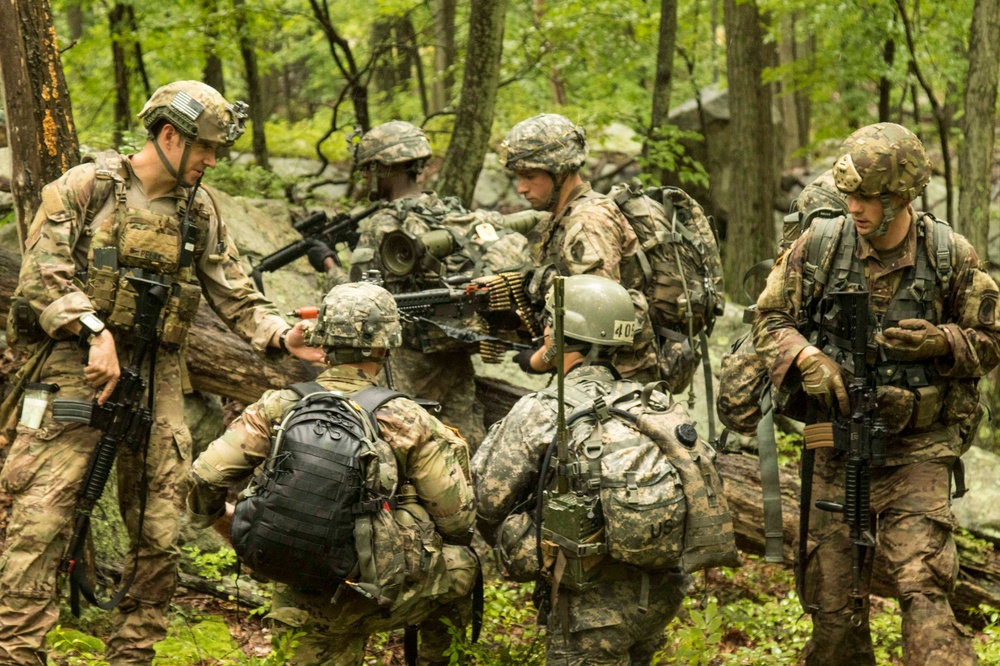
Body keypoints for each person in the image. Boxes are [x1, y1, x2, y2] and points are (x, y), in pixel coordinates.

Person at [0, 80, 323, 666]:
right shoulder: (86, 188)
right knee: (35, 523)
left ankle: (133, 655)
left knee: (160, 531)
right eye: (205, 148)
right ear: (168, 135)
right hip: (73, 380)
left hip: (156, 382)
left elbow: (236, 294)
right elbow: (40, 275)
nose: (211, 160)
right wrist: (94, 332)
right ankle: (18, 653)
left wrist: (281, 334)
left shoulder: (198, 211)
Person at [753, 122, 999, 665]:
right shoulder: (817, 247)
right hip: (835, 446)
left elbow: (992, 339)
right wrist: (804, 355)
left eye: (868, 197)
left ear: (901, 198)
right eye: (850, 195)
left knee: (923, 588)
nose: (855, 207)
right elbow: (767, 320)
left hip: (918, 448)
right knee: (833, 611)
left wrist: (944, 340)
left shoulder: (949, 256)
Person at [186, 281, 479, 665]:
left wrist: (229, 526)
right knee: (463, 563)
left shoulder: (281, 405)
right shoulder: (409, 419)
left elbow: (205, 477)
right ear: (386, 344)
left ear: (322, 341)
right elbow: (457, 520)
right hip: (379, 596)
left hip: (300, 588)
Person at [473, 274, 691, 665]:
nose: (544, 331)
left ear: (560, 336)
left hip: (590, 609)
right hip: (662, 594)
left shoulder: (542, 409)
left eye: (549, 325)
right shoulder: (656, 403)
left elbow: (484, 500)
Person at [315, 120, 508, 449]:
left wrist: (328, 264)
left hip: (407, 359)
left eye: (366, 171)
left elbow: (358, 298)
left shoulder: (384, 223)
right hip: (455, 350)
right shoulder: (451, 213)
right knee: (465, 439)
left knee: (402, 441)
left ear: (382, 169)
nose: (364, 178)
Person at [499, 113, 665, 386]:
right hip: (590, 372)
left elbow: (598, 319)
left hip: (617, 377)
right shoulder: (561, 217)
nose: (521, 188)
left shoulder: (587, 223)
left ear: (561, 171)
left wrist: (537, 360)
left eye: (530, 176)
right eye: (518, 177)